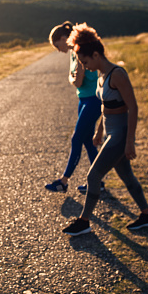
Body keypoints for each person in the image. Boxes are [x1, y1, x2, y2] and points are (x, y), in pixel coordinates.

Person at [62, 23, 148, 236]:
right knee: (127, 177)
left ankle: (84, 221)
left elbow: (133, 107)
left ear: (96, 54)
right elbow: (105, 106)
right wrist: (98, 131)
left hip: (120, 135)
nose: (84, 67)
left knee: (93, 176)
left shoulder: (118, 74)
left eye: (85, 62)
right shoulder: (102, 76)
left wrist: (129, 141)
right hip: (110, 134)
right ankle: (147, 215)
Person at [45, 21, 104, 194]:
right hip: (84, 99)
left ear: (64, 38)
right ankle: (98, 182)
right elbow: (76, 80)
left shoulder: (79, 52)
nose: (58, 50)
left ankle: (64, 181)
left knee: (76, 139)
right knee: (87, 141)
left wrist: (71, 79)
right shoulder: (73, 53)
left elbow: (76, 81)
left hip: (92, 100)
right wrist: (73, 78)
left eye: (57, 45)